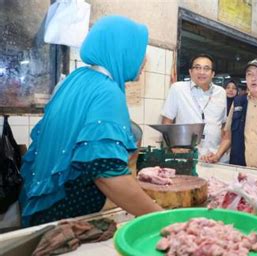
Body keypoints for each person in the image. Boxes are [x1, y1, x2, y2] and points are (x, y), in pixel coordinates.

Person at [19, 16, 162, 227]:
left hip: (43, 210)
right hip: (65, 216)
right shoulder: (107, 91)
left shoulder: (76, 79)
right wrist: (161, 218)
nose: (144, 62)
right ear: (122, 50)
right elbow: (107, 173)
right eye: (140, 53)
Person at [202, 59, 257, 169]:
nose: (253, 78)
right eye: (249, 74)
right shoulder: (238, 103)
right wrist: (217, 155)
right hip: (239, 173)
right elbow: (228, 137)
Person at [161, 54, 227, 159]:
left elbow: (223, 125)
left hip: (214, 156)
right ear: (190, 71)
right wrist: (173, 147)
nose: (201, 72)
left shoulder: (221, 92)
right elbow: (166, 122)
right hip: (186, 156)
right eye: (197, 67)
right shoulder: (178, 89)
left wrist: (219, 153)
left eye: (206, 68)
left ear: (213, 73)